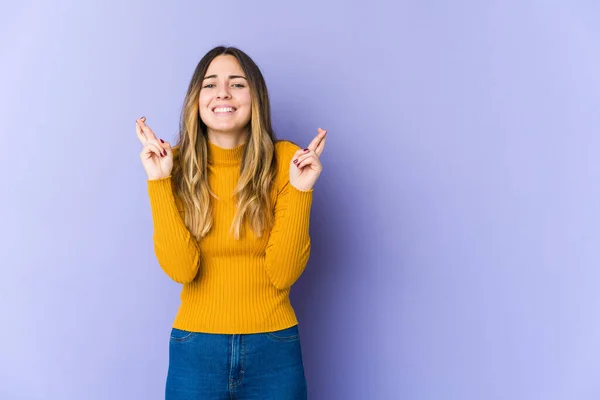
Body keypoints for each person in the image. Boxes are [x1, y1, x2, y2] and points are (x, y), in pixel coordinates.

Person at [135, 45, 327, 399]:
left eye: (237, 84)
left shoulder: (288, 161)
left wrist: (300, 191)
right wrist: (159, 182)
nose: (222, 92)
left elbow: (283, 272)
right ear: (196, 99)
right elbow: (181, 269)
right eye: (210, 85)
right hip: (196, 347)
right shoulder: (171, 164)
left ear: (256, 97)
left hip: (274, 345)